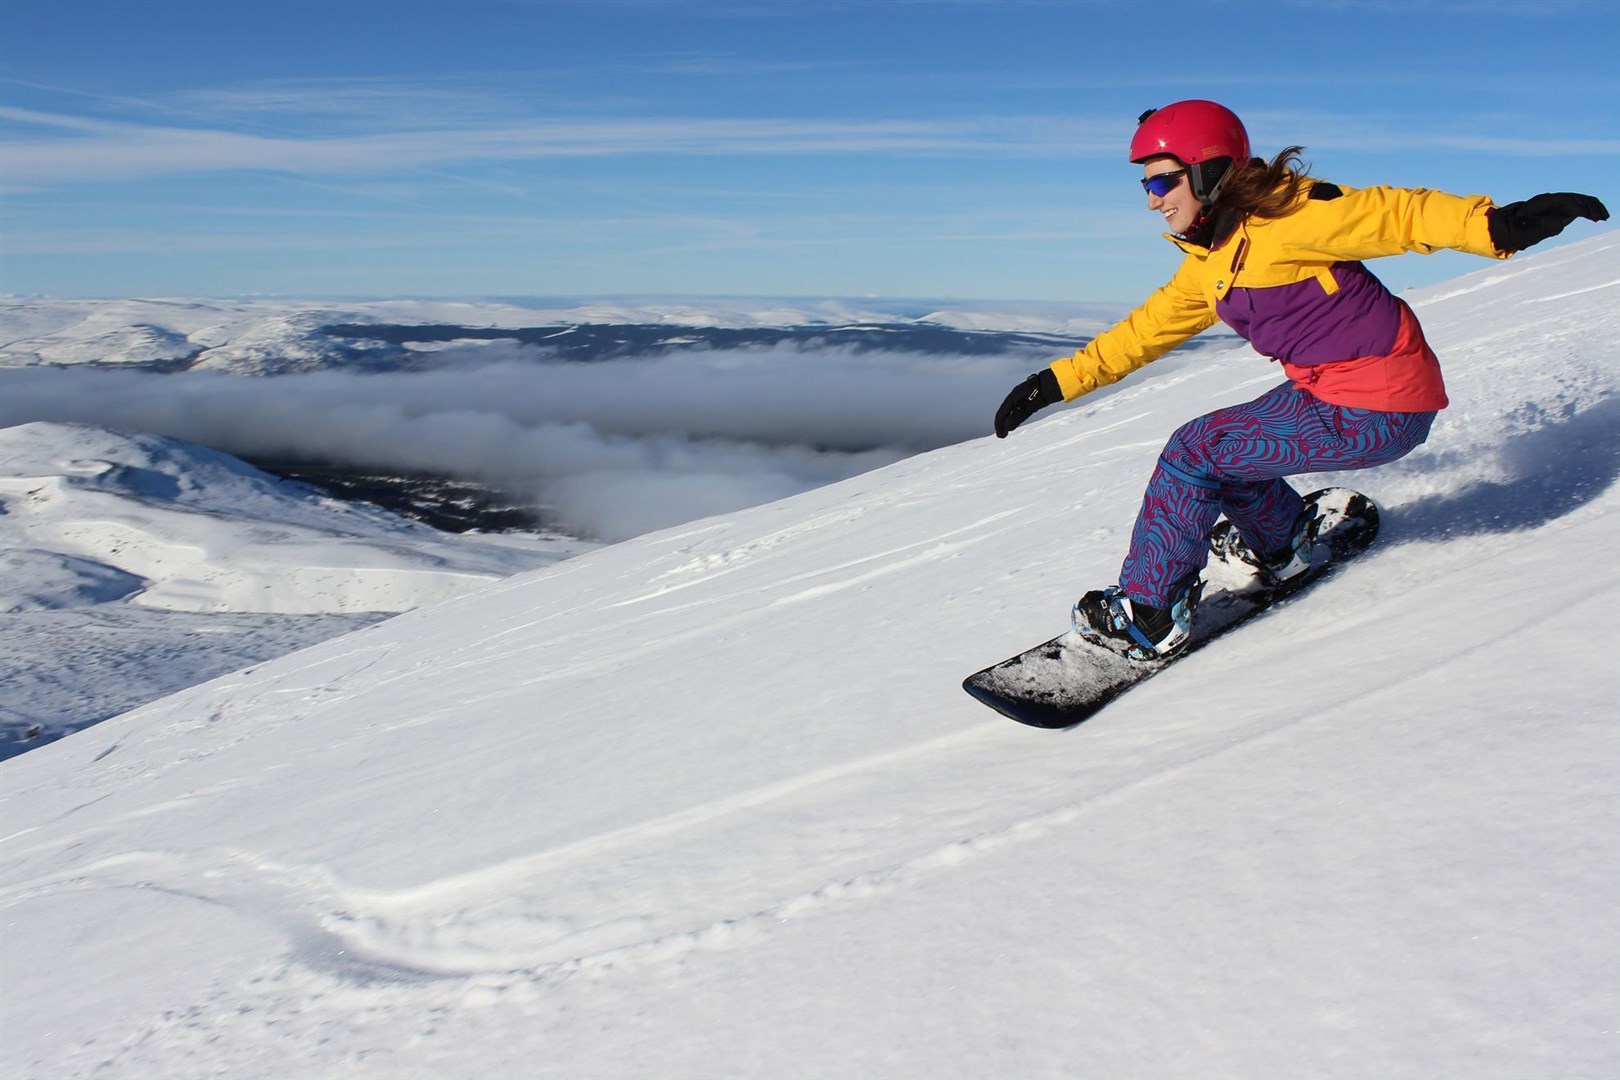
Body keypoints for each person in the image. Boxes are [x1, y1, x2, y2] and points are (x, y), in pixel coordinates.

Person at [993, 99, 1608, 661]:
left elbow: (1394, 214)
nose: (1152, 199)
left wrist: (1497, 226)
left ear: (1207, 171)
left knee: (1195, 450)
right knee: (1220, 449)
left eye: (1161, 180)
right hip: (1334, 390)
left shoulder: (1289, 215)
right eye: (1146, 183)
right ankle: (1282, 542)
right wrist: (1053, 383)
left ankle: (1151, 615)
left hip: (1377, 403)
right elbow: (1143, 332)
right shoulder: (1213, 259)